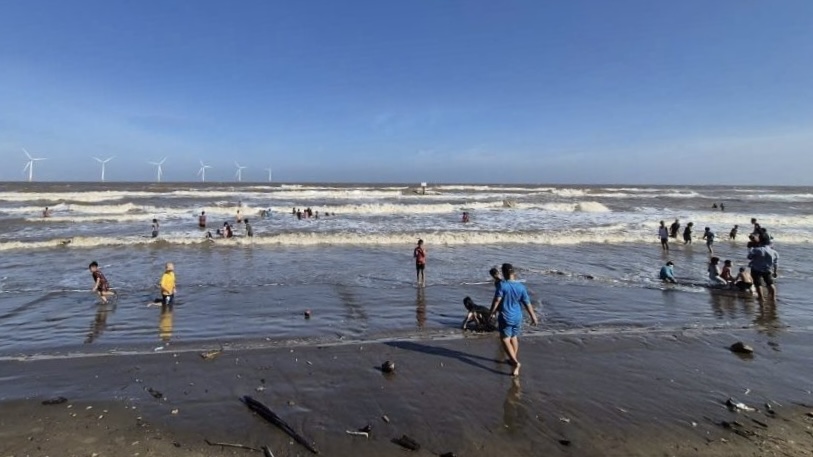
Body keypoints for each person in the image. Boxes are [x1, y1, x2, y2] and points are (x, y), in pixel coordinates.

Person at [489, 263, 539, 377]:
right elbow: (527, 303)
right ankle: (513, 360)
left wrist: (491, 312)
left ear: (504, 273)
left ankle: (515, 362)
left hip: (506, 316)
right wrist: (533, 316)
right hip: (518, 316)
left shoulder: (502, 285)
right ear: (513, 273)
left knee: (505, 339)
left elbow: (497, 300)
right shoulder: (521, 287)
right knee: (514, 337)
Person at [748, 235, 779, 301]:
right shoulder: (774, 252)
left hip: (756, 269)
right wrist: (775, 272)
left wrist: (750, 249)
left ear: (760, 241)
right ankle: (773, 298)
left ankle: (761, 298)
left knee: (758, 284)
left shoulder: (756, 250)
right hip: (767, 269)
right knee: (770, 283)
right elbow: (775, 263)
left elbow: (749, 257)